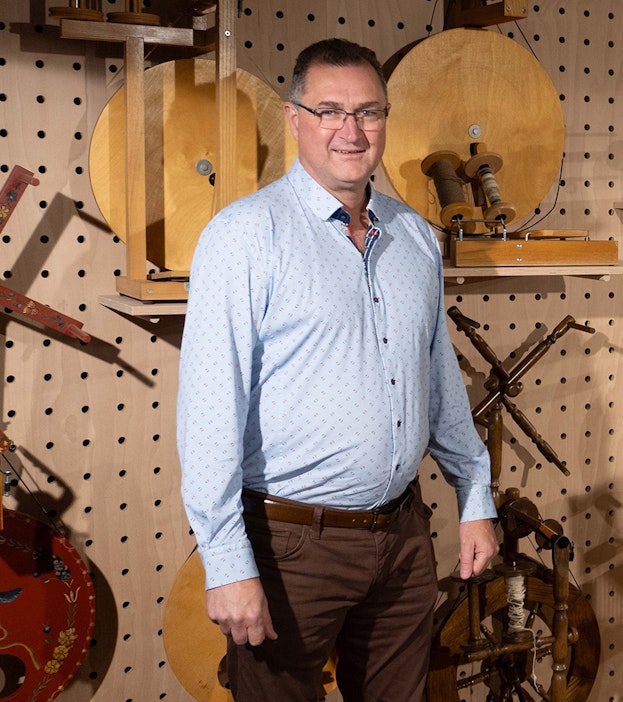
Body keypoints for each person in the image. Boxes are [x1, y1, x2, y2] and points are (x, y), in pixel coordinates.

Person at [177, 38, 498, 701]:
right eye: (329, 110)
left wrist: (474, 501)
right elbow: (210, 416)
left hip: (404, 539)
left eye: (368, 112)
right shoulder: (244, 237)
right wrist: (227, 564)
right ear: (295, 118)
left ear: (385, 120)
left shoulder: (413, 235)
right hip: (291, 549)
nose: (350, 131)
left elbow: (440, 386)